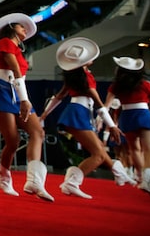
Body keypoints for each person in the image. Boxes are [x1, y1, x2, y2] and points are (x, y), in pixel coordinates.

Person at [38, 37, 135, 198]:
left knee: (100, 152)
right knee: (98, 155)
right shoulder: (85, 77)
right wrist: (111, 125)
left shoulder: (75, 76)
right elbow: (98, 103)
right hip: (79, 113)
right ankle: (72, 183)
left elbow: (59, 97)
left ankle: (119, 174)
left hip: (76, 113)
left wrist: (45, 114)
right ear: (84, 61)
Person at [0, 13, 53, 200]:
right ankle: (4, 178)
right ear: (11, 28)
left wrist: (23, 98)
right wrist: (25, 99)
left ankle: (34, 181)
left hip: (17, 91)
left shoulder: (18, 49)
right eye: (21, 27)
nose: (25, 29)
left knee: (38, 132)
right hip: (2, 90)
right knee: (13, 140)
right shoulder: (5, 42)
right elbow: (15, 70)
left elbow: (19, 74)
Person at [104, 56, 150, 197]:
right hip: (143, 115)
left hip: (126, 117)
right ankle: (147, 180)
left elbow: (105, 107)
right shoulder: (145, 83)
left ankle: (140, 176)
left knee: (134, 149)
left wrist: (107, 123)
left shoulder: (115, 86)